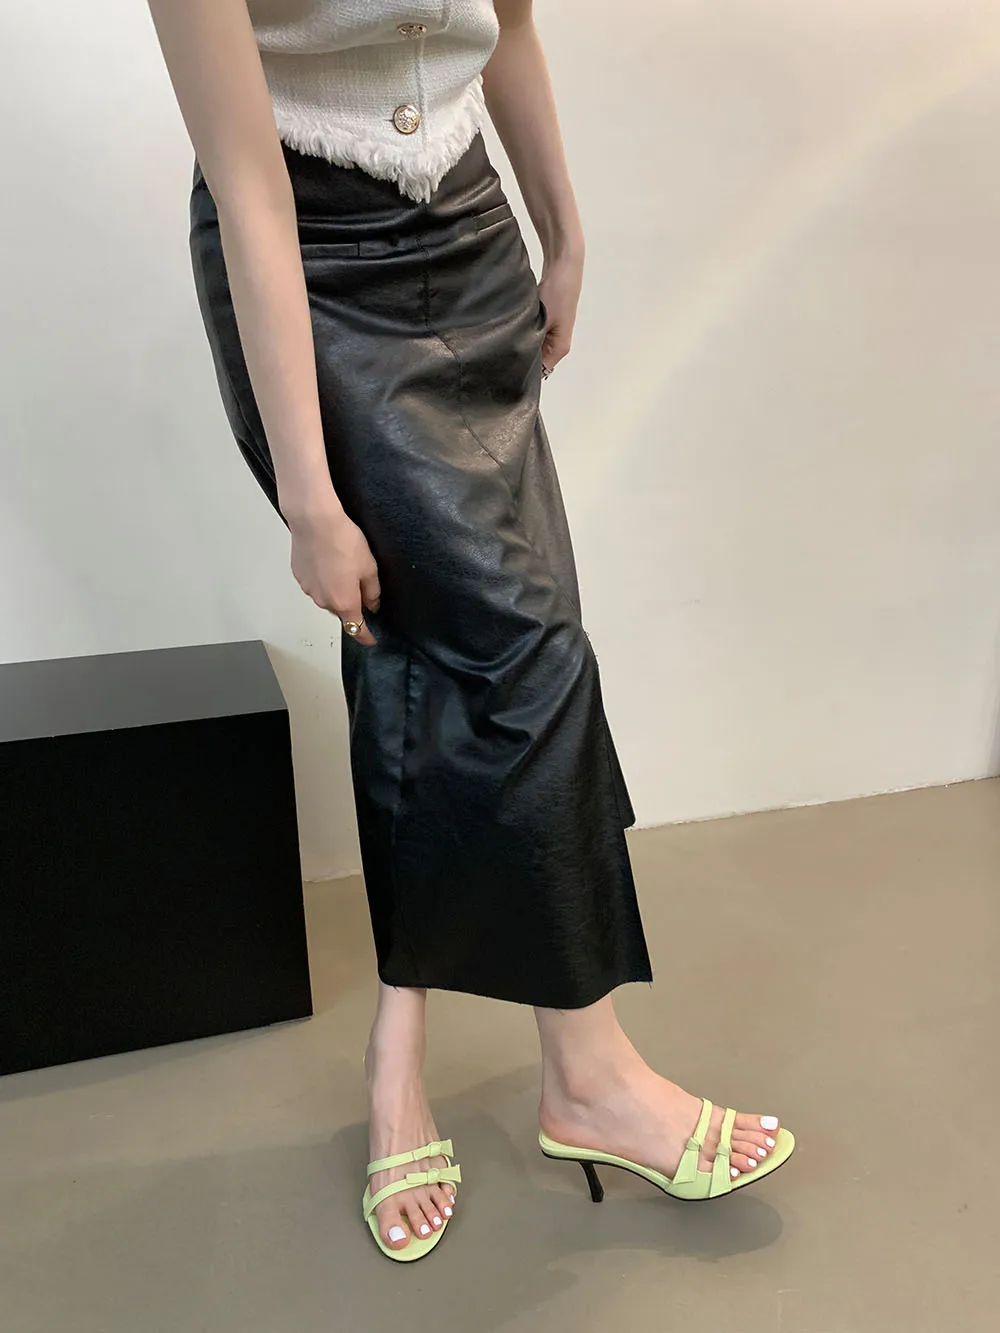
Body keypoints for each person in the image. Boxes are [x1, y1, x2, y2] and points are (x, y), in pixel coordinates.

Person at [147, 0, 794, 1263]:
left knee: (432, 659)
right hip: (315, 267)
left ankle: (403, 1053)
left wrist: (564, 230)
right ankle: (589, 1075)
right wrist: (309, 500)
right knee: (522, 656)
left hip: (471, 228)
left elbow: (512, 30)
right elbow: (249, 187)